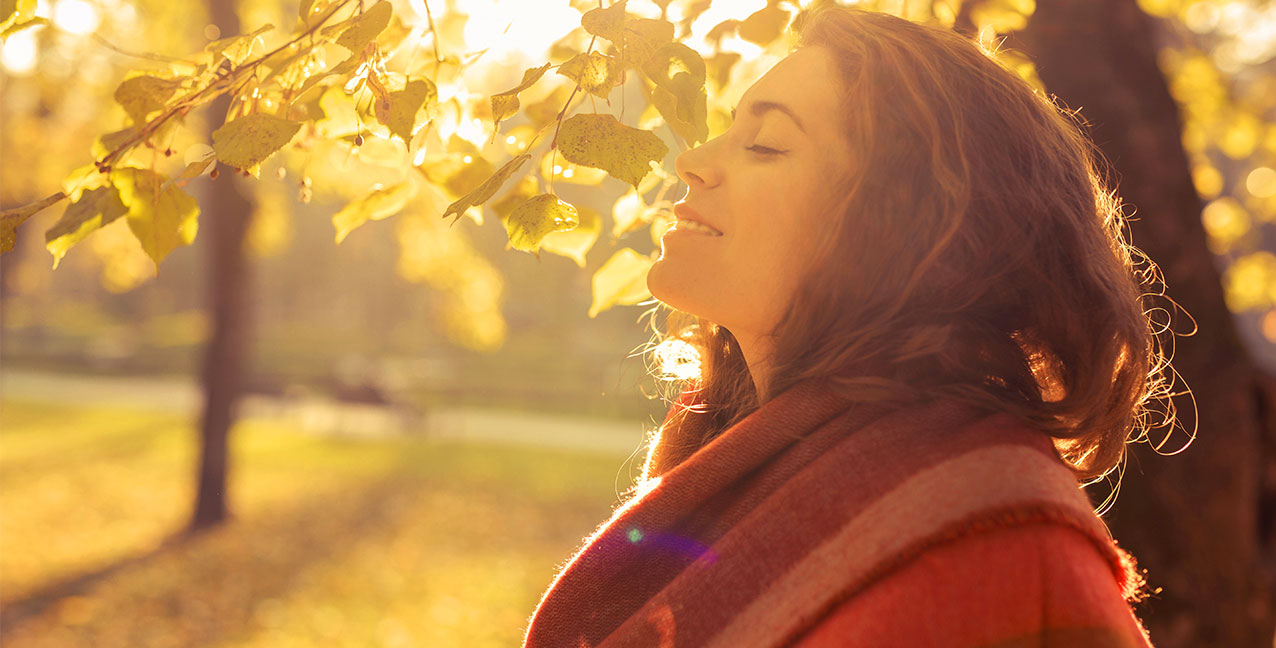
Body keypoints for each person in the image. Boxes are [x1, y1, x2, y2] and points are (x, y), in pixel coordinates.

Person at [523, 4, 1183, 647]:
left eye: (766, 144)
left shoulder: (990, 536)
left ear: (901, 226)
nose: (689, 159)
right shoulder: (719, 475)